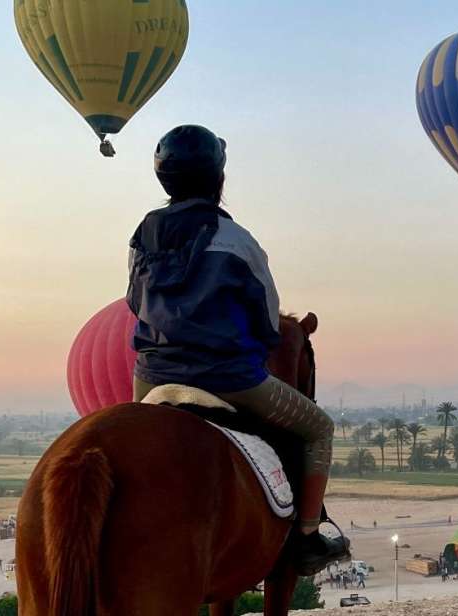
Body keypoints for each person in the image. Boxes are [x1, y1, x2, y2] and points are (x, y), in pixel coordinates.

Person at [127, 125, 347, 574]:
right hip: (227, 378)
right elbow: (268, 323)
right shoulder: (236, 240)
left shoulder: (141, 235)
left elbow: (135, 302)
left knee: (131, 441)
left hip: (151, 376)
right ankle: (307, 536)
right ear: (218, 178)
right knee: (319, 429)